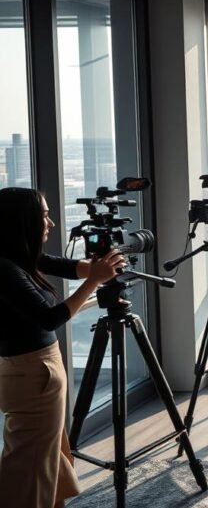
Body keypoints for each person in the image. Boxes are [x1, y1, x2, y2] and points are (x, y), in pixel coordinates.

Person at [0, 187, 126, 508]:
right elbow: (49, 318)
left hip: (34, 372)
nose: (51, 223)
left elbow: (61, 265)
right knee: (29, 465)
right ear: (23, 221)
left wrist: (98, 268)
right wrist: (94, 281)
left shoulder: (14, 255)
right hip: (33, 375)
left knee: (47, 455)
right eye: (44, 215)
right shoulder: (4, 269)